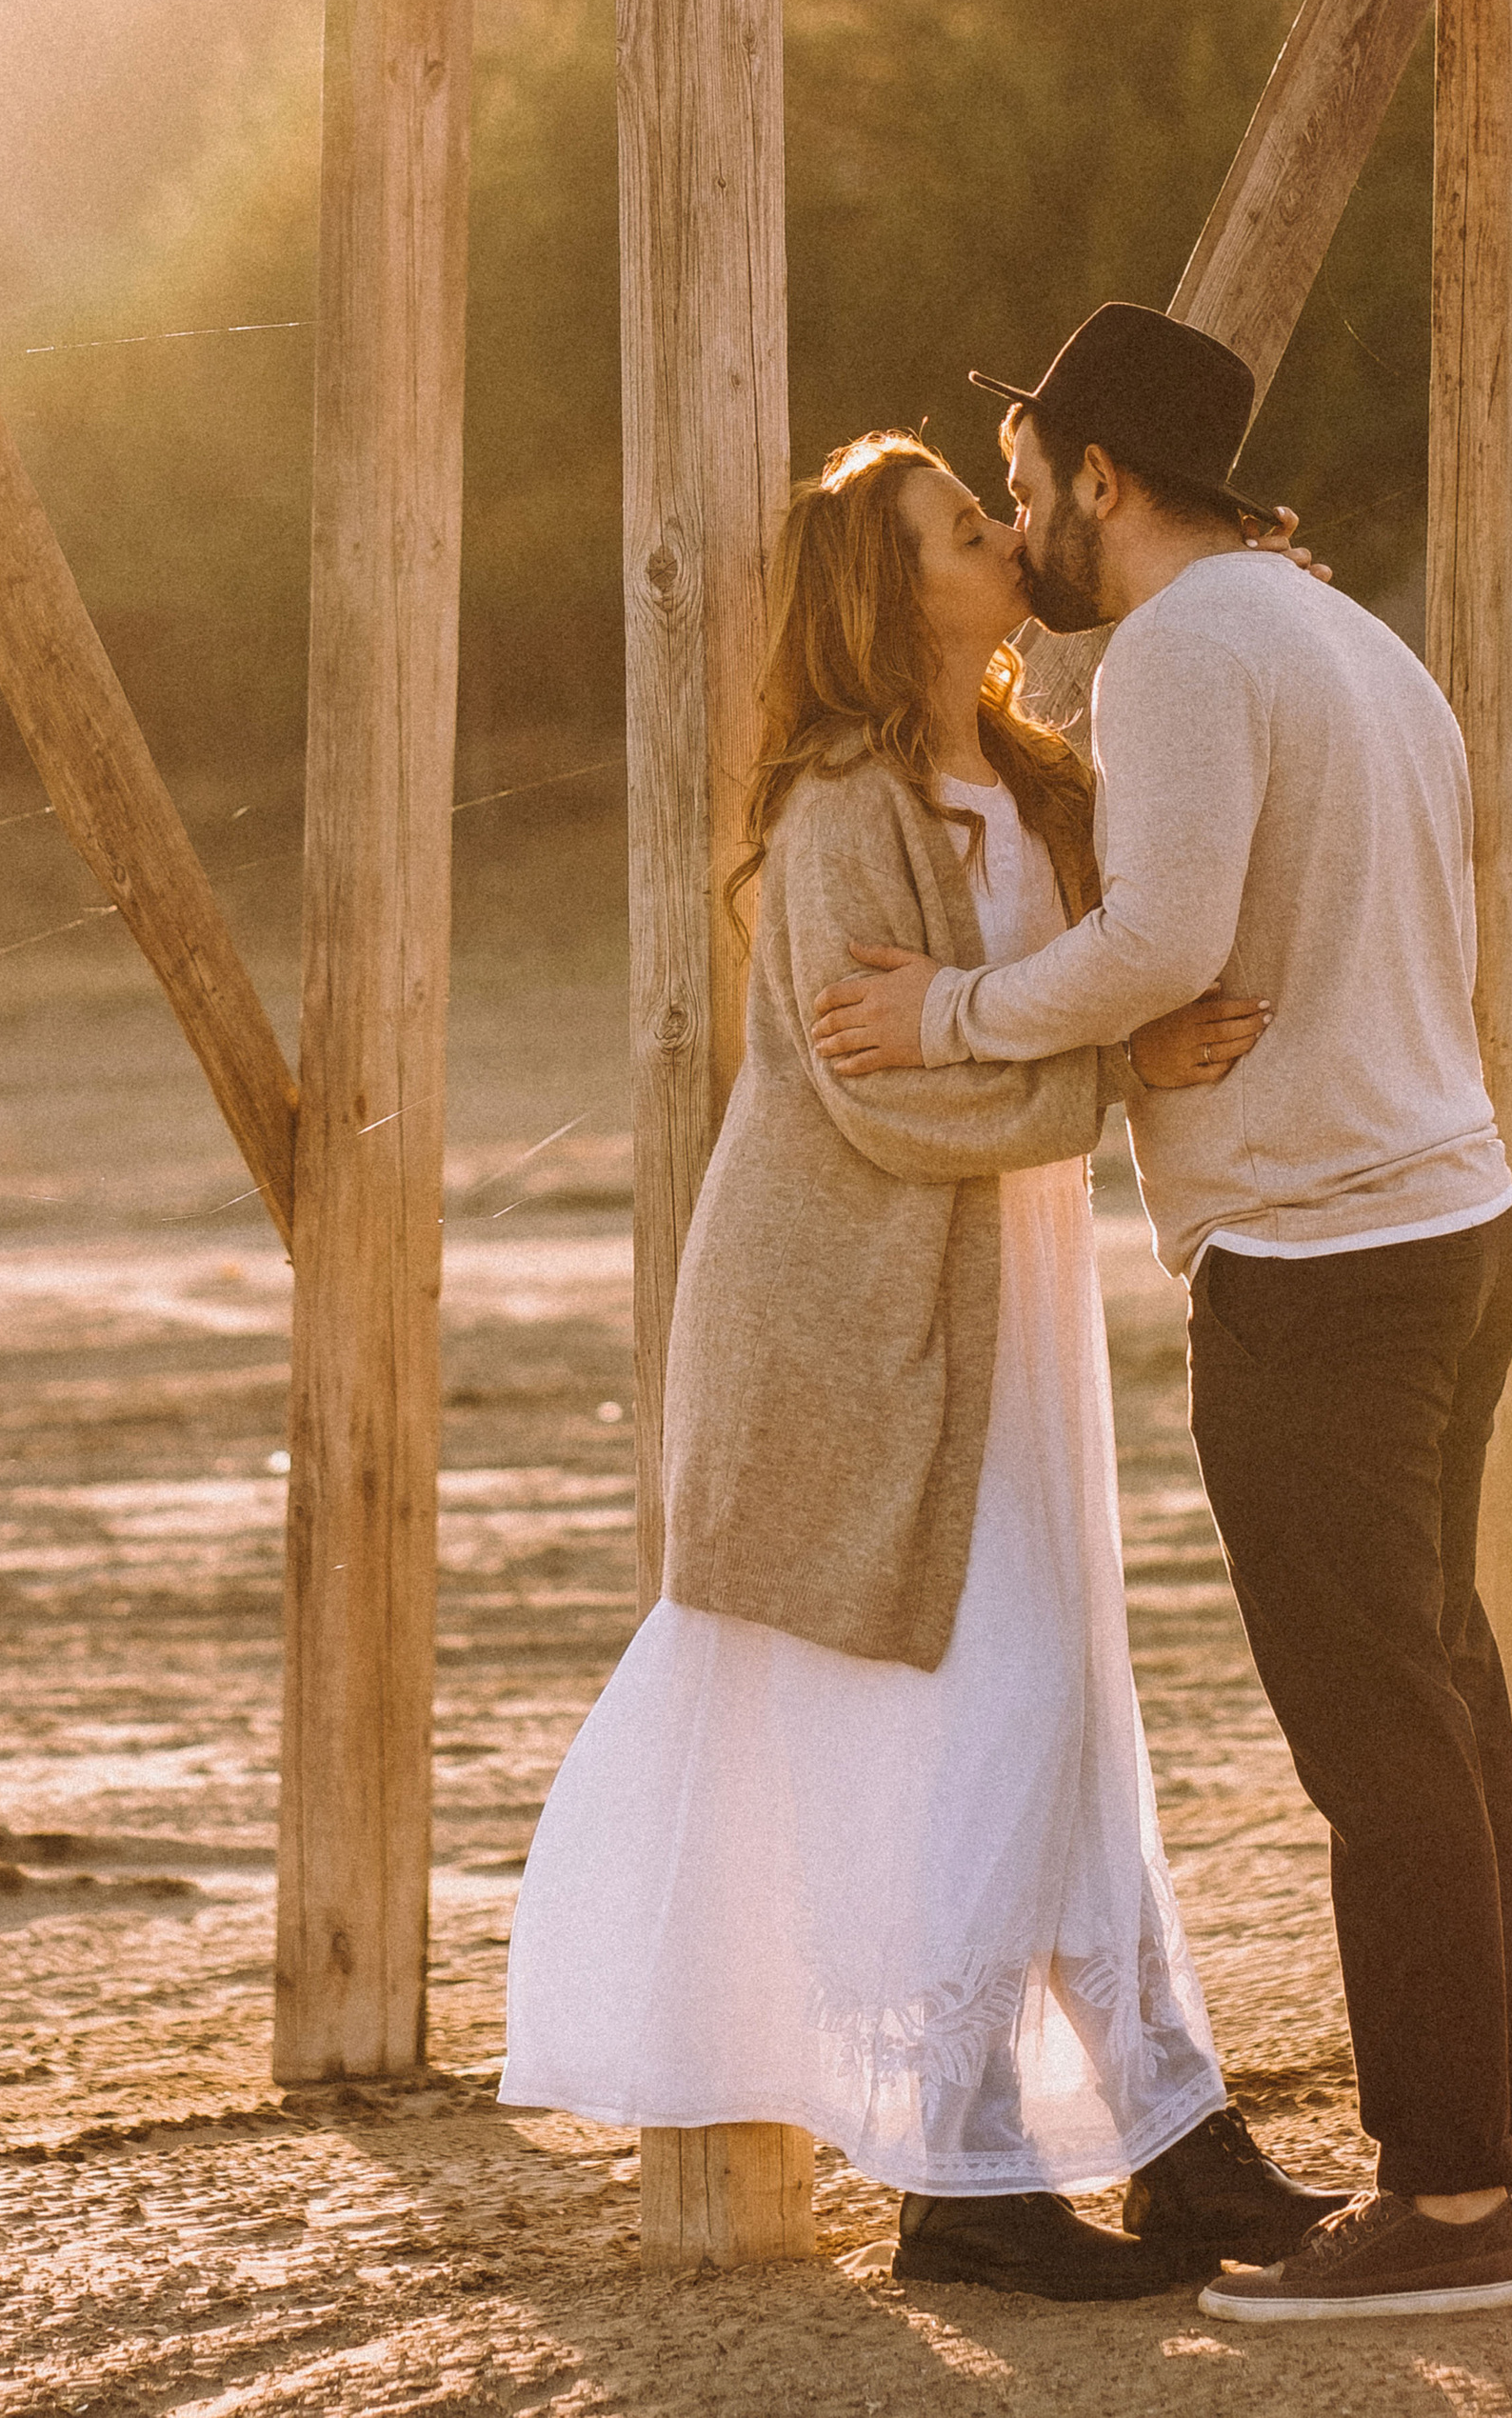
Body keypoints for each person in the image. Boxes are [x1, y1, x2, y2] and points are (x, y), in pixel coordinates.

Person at [502, 430, 1346, 2299]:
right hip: (851, 1317)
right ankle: (964, 2183)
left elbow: (1114, 955)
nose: (1003, 535)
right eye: (965, 530)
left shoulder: (1039, 779)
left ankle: (1169, 2147)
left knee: (1069, 1709)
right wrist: (1116, 1071)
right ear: (896, 600)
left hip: (1007, 1304)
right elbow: (879, 1102)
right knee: (1005, 1705)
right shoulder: (837, 811)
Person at [813, 303, 1512, 2326]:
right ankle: (1500, 2160)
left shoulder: (1177, 652)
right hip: (1450, 1218)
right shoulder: (1337, 630)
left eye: (1026, 481)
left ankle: (1446, 2205)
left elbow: (1162, 937)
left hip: (1322, 1256)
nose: (1021, 524)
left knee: (1377, 1738)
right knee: (1442, 1697)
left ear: (1103, 478)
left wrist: (945, 1013)